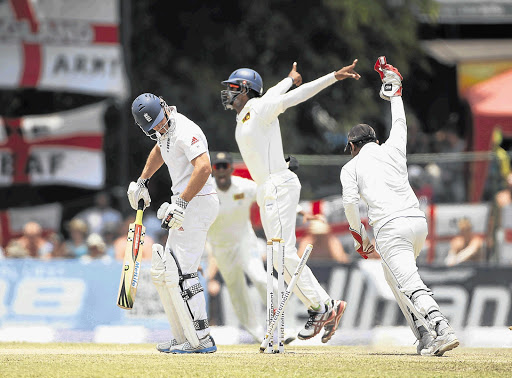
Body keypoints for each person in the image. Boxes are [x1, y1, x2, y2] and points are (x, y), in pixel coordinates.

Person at [220, 60, 360, 343]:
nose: (228, 92)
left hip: (277, 184)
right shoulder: (249, 112)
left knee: (282, 255)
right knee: (281, 258)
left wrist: (331, 76)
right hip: (268, 188)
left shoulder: (260, 109)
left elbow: (295, 97)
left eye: (234, 87)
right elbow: (276, 91)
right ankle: (325, 306)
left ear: (247, 90)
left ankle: (322, 308)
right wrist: (289, 78)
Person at [340, 57, 458, 357]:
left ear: (353, 147)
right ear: (374, 140)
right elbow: (400, 122)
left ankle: (441, 328)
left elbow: (350, 205)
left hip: (390, 229)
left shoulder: (351, 168)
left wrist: (360, 238)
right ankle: (424, 336)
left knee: (407, 281)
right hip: (418, 223)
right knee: (394, 278)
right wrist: (394, 92)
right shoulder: (392, 148)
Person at [127, 93, 219, 354]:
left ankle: (201, 338)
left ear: (165, 107)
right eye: (152, 127)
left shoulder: (185, 130)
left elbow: (203, 168)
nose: (159, 127)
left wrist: (182, 203)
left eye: (159, 121)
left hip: (197, 202)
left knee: (183, 272)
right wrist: (143, 180)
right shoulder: (163, 132)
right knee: (171, 271)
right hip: (187, 202)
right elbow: (160, 148)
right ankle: (184, 336)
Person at [206, 151, 275, 342]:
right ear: (213, 169)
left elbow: (269, 195)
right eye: (217, 167)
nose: (220, 171)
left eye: (224, 166)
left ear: (230, 168)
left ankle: (284, 322)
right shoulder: (206, 189)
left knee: (261, 278)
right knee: (237, 291)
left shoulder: (244, 186)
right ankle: (259, 335)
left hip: (245, 242)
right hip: (220, 247)